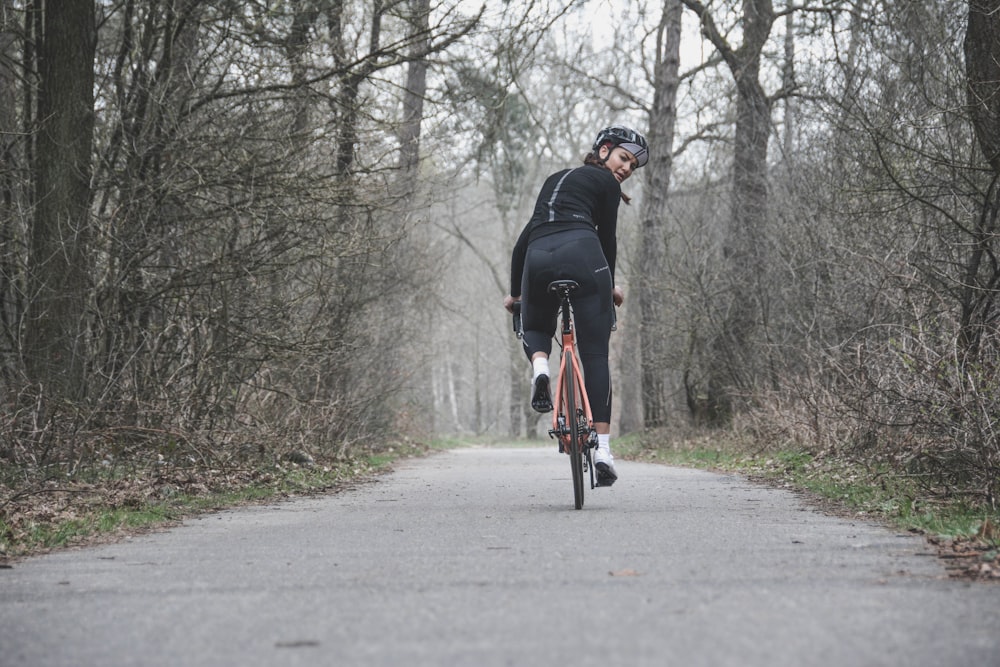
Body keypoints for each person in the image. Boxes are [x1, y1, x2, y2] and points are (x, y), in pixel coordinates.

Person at [503, 125, 649, 487]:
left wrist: (515, 294)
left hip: (537, 257)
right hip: (584, 254)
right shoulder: (608, 186)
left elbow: (523, 241)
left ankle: (541, 369)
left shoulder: (554, 180)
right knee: (595, 355)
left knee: (535, 324)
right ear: (603, 151)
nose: (627, 168)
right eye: (623, 158)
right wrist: (609, 286)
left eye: (632, 165)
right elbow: (607, 239)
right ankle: (602, 451)